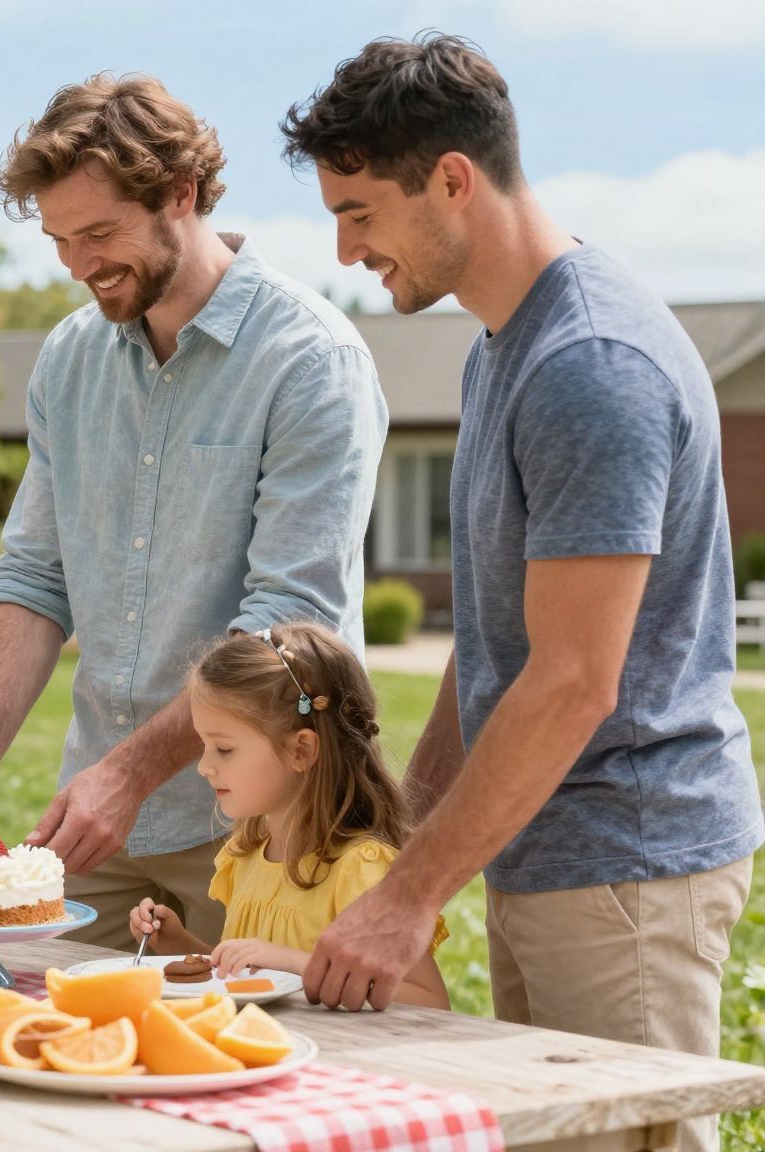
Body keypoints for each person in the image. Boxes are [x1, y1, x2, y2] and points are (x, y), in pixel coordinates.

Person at [281, 34, 760, 1152]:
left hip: (624, 873)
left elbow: (571, 683)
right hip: (548, 856)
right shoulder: (500, 345)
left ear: (450, 178)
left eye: (357, 211)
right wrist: (401, 824)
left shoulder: (589, 364)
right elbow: (501, 633)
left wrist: (404, 901)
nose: (345, 249)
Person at [0, 74, 386, 950]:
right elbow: (34, 575)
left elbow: (286, 626)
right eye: (60, 240)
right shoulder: (68, 359)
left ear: (182, 195)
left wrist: (128, 774)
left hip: (266, 826)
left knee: (242, 1069)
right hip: (102, 820)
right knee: (41, 1047)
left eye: (99, 233)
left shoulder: (310, 360)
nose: (80, 265)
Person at [131, 623, 448, 1009]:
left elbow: (429, 1000)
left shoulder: (359, 870)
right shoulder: (246, 857)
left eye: (224, 749)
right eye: (204, 745)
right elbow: (251, 977)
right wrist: (180, 945)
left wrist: (298, 964)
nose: (204, 766)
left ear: (301, 750)